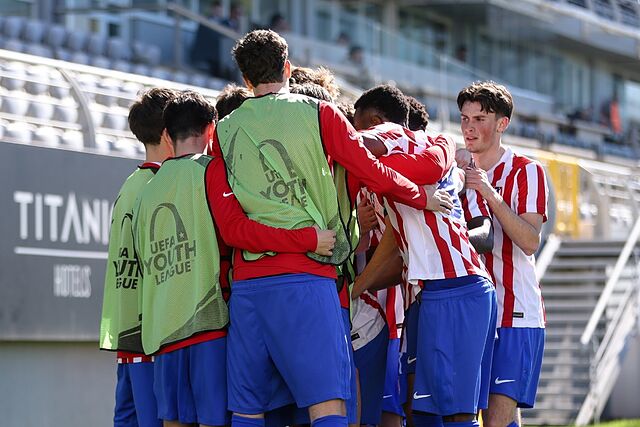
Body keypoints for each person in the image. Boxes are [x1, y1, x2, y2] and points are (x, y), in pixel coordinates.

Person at [212, 30, 429, 427]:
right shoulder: (319, 113)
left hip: (248, 288)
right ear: (288, 68)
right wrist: (420, 196)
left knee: (248, 410)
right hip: (309, 278)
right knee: (328, 406)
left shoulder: (223, 132)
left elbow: (229, 226)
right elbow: (370, 170)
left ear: (244, 80)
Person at [133, 91, 336, 427]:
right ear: (212, 130)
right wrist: (307, 238)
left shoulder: (147, 190)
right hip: (207, 323)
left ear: (166, 136)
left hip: (164, 331)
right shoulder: (212, 169)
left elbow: (143, 260)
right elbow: (236, 232)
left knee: (173, 421)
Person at [352, 84, 497, 427]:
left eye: (359, 128)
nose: (357, 138)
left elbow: (361, 148)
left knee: (457, 414)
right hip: (425, 293)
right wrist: (357, 287)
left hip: (456, 285)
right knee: (423, 412)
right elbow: (398, 247)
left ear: (376, 121)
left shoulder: (398, 140)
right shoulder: (422, 155)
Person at [457, 81, 548, 427]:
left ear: (502, 124)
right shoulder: (454, 174)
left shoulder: (527, 170)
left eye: (480, 118)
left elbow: (529, 240)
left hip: (516, 312)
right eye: (464, 118)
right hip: (472, 312)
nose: (469, 127)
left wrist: (488, 191)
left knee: (496, 418)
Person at [99, 87, 178, 427]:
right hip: (150, 335)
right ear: (168, 133)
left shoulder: (131, 182)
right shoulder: (159, 186)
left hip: (127, 332)